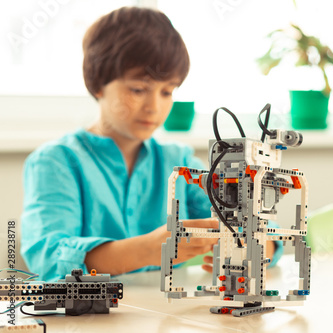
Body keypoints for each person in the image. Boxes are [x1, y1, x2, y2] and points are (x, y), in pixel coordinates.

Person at [21, 7, 282, 281]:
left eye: (167, 91)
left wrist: (255, 244)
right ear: (98, 84)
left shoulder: (178, 160)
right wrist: (148, 249)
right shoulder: (56, 161)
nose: (154, 107)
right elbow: (49, 258)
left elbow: (258, 225)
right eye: (138, 89)